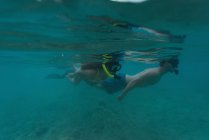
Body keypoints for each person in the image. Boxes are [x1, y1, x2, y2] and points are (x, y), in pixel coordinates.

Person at [68, 58, 179, 101]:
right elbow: (135, 81)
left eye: (175, 65)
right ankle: (79, 71)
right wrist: (123, 94)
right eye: (173, 64)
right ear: (167, 64)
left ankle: (79, 71)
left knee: (98, 85)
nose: (175, 67)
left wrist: (173, 69)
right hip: (122, 81)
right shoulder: (155, 73)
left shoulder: (158, 72)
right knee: (95, 84)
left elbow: (138, 81)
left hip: (121, 81)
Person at [89, 15, 186, 43]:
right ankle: (173, 37)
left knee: (149, 33)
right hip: (127, 26)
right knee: (148, 33)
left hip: (127, 27)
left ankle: (173, 38)